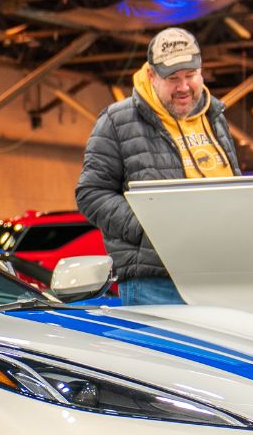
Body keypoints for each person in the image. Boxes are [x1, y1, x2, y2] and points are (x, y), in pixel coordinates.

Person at [76, 27, 242, 305]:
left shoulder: (215, 118)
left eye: (191, 76)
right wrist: (151, 227)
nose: (184, 87)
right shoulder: (117, 120)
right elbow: (91, 194)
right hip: (154, 281)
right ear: (151, 76)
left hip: (218, 273)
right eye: (173, 78)